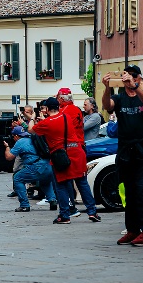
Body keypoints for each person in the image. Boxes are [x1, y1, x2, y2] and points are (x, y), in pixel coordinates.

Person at [101, 65, 143, 246]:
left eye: (134, 76)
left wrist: (135, 87)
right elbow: (107, 106)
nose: (129, 79)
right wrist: (107, 87)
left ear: (139, 78)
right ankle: (132, 230)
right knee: (130, 192)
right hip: (126, 152)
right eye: (127, 76)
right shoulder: (119, 98)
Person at [31, 88, 100, 223]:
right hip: (78, 149)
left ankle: (65, 214)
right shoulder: (72, 112)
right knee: (82, 183)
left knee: (62, 184)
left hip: (63, 153)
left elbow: (36, 129)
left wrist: (37, 118)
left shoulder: (63, 113)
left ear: (61, 99)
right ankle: (92, 212)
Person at [3, 126, 54, 212]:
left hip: (36, 167)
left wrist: (7, 147)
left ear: (16, 136)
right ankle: (53, 201)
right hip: (48, 166)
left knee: (17, 178)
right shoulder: (32, 138)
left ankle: (24, 205)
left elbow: (9, 157)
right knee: (45, 182)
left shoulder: (20, 142)